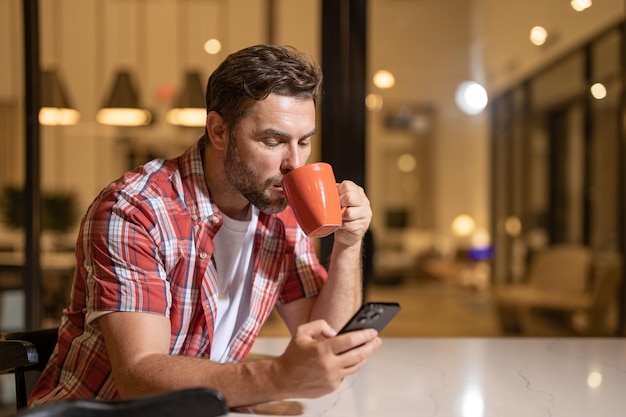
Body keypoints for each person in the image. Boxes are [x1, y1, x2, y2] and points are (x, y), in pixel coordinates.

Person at [29, 44, 380, 408]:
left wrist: (348, 243)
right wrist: (277, 377)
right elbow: (138, 375)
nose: (294, 162)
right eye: (273, 141)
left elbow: (327, 339)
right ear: (218, 131)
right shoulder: (134, 211)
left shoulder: (280, 215)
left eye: (304, 141)